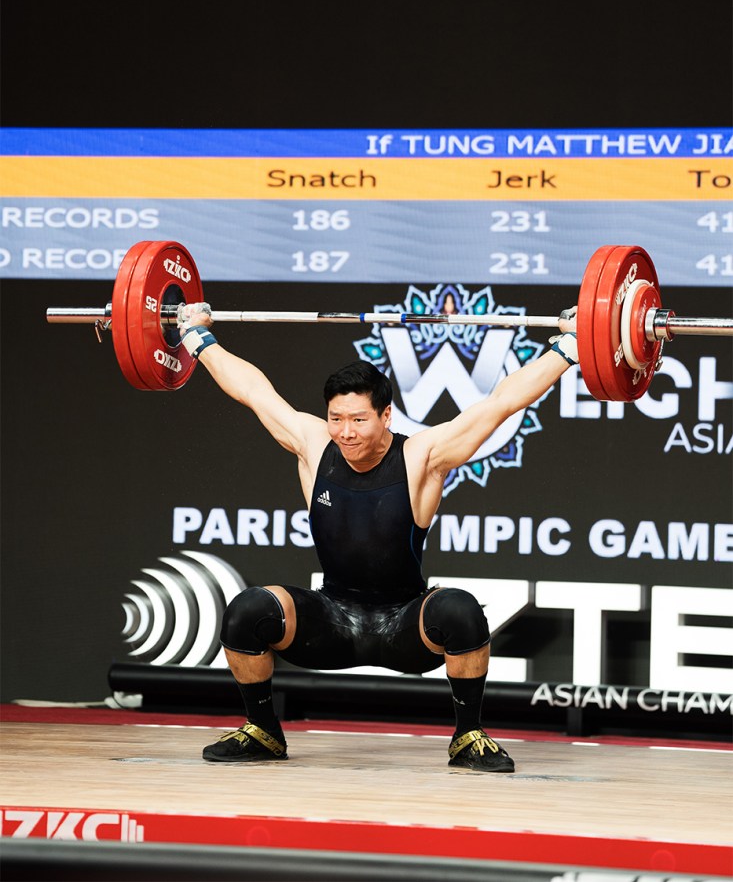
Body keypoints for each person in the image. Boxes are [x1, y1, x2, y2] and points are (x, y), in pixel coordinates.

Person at [177, 303, 579, 773]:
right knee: (248, 609)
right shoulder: (313, 444)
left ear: (386, 415)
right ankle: (263, 730)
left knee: (462, 610)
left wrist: (569, 347)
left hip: (405, 627)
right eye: (336, 418)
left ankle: (468, 736)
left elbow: (501, 404)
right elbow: (254, 392)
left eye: (358, 420)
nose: (345, 432)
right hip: (331, 622)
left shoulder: (423, 456)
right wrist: (196, 338)